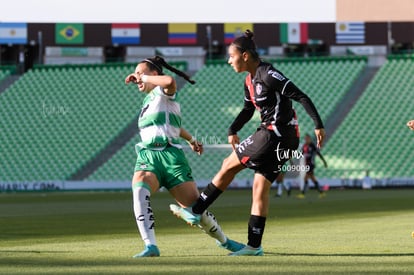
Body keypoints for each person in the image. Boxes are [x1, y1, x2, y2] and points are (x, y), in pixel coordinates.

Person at [170, 30, 325, 256]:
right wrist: (233, 129)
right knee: (259, 188)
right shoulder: (249, 81)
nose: (228, 60)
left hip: (276, 133)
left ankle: (196, 210)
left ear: (244, 55)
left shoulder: (269, 73)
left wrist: (318, 124)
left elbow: (301, 96)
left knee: (228, 164)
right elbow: (247, 109)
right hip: (281, 138)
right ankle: (254, 246)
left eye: (231, 56)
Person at [125, 56, 244, 258]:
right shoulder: (147, 102)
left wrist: (143, 77)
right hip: (148, 155)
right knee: (139, 189)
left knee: (195, 209)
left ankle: (225, 241)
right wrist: (191, 139)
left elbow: (170, 81)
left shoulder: (163, 91)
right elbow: (172, 126)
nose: (137, 77)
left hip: (172, 157)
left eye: (141, 72)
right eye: (136, 73)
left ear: (154, 75)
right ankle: (150, 246)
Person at [297, 134, 328, 199]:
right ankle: (321, 192)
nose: (306, 140)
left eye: (307, 138)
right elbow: (301, 154)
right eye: (305, 139)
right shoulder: (304, 146)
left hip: (311, 164)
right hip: (307, 164)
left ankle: (303, 194)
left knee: (306, 178)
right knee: (313, 179)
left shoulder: (312, 145)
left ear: (310, 139)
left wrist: (324, 161)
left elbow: (318, 153)